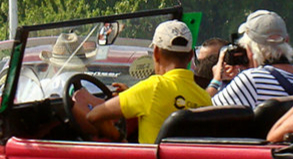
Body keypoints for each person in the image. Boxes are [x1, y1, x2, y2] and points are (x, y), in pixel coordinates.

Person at [79, 20, 212, 144]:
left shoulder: (152, 88)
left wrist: (118, 137)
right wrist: (130, 93)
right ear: (190, 56)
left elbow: (93, 116)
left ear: (156, 53)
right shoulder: (205, 99)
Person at [211, 10, 293, 107]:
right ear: (286, 41)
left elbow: (205, 113)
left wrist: (216, 80)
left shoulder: (251, 79)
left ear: (251, 48)